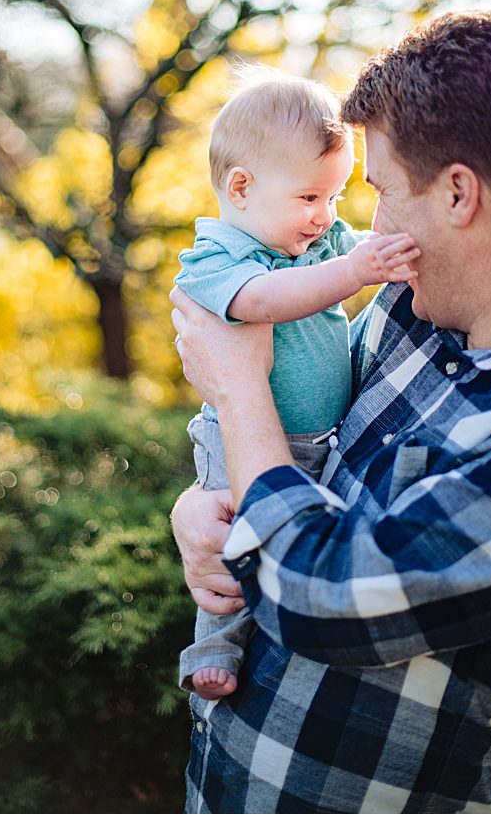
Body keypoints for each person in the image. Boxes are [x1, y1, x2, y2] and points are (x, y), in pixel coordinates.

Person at [167, 8, 491, 813]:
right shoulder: (408, 311)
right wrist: (202, 516)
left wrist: (239, 393)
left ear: (459, 193)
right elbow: (295, 475)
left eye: (377, 192)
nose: (359, 230)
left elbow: (324, 594)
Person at [173, 70, 420, 701]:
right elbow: (266, 302)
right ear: (241, 187)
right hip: (246, 440)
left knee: (294, 540)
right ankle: (215, 647)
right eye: (311, 198)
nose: (326, 215)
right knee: (231, 548)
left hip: (320, 440)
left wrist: (380, 250)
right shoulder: (219, 258)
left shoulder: (319, 241)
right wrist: (358, 270)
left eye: (335, 198)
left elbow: (354, 247)